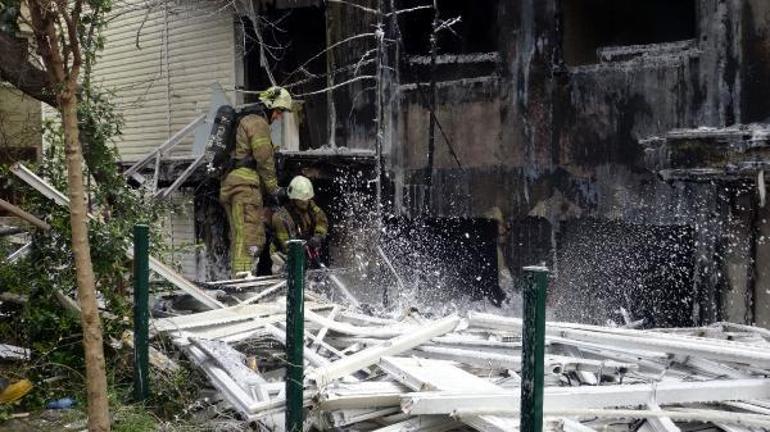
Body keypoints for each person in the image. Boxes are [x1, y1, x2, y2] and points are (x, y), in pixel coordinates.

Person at [220, 86, 292, 277]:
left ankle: (238, 275)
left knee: (239, 235)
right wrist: (274, 189)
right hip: (245, 188)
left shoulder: (244, 120)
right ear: (269, 106)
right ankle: (243, 280)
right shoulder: (258, 122)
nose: (278, 117)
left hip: (231, 184)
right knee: (250, 235)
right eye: (278, 111)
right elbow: (264, 158)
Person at [270, 175, 329, 273]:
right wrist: (303, 243)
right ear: (293, 199)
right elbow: (285, 245)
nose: (304, 202)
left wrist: (318, 236)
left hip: (307, 252)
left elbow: (322, 221)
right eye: (301, 199)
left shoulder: (313, 209)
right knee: (287, 275)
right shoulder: (281, 217)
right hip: (284, 256)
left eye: (307, 199)